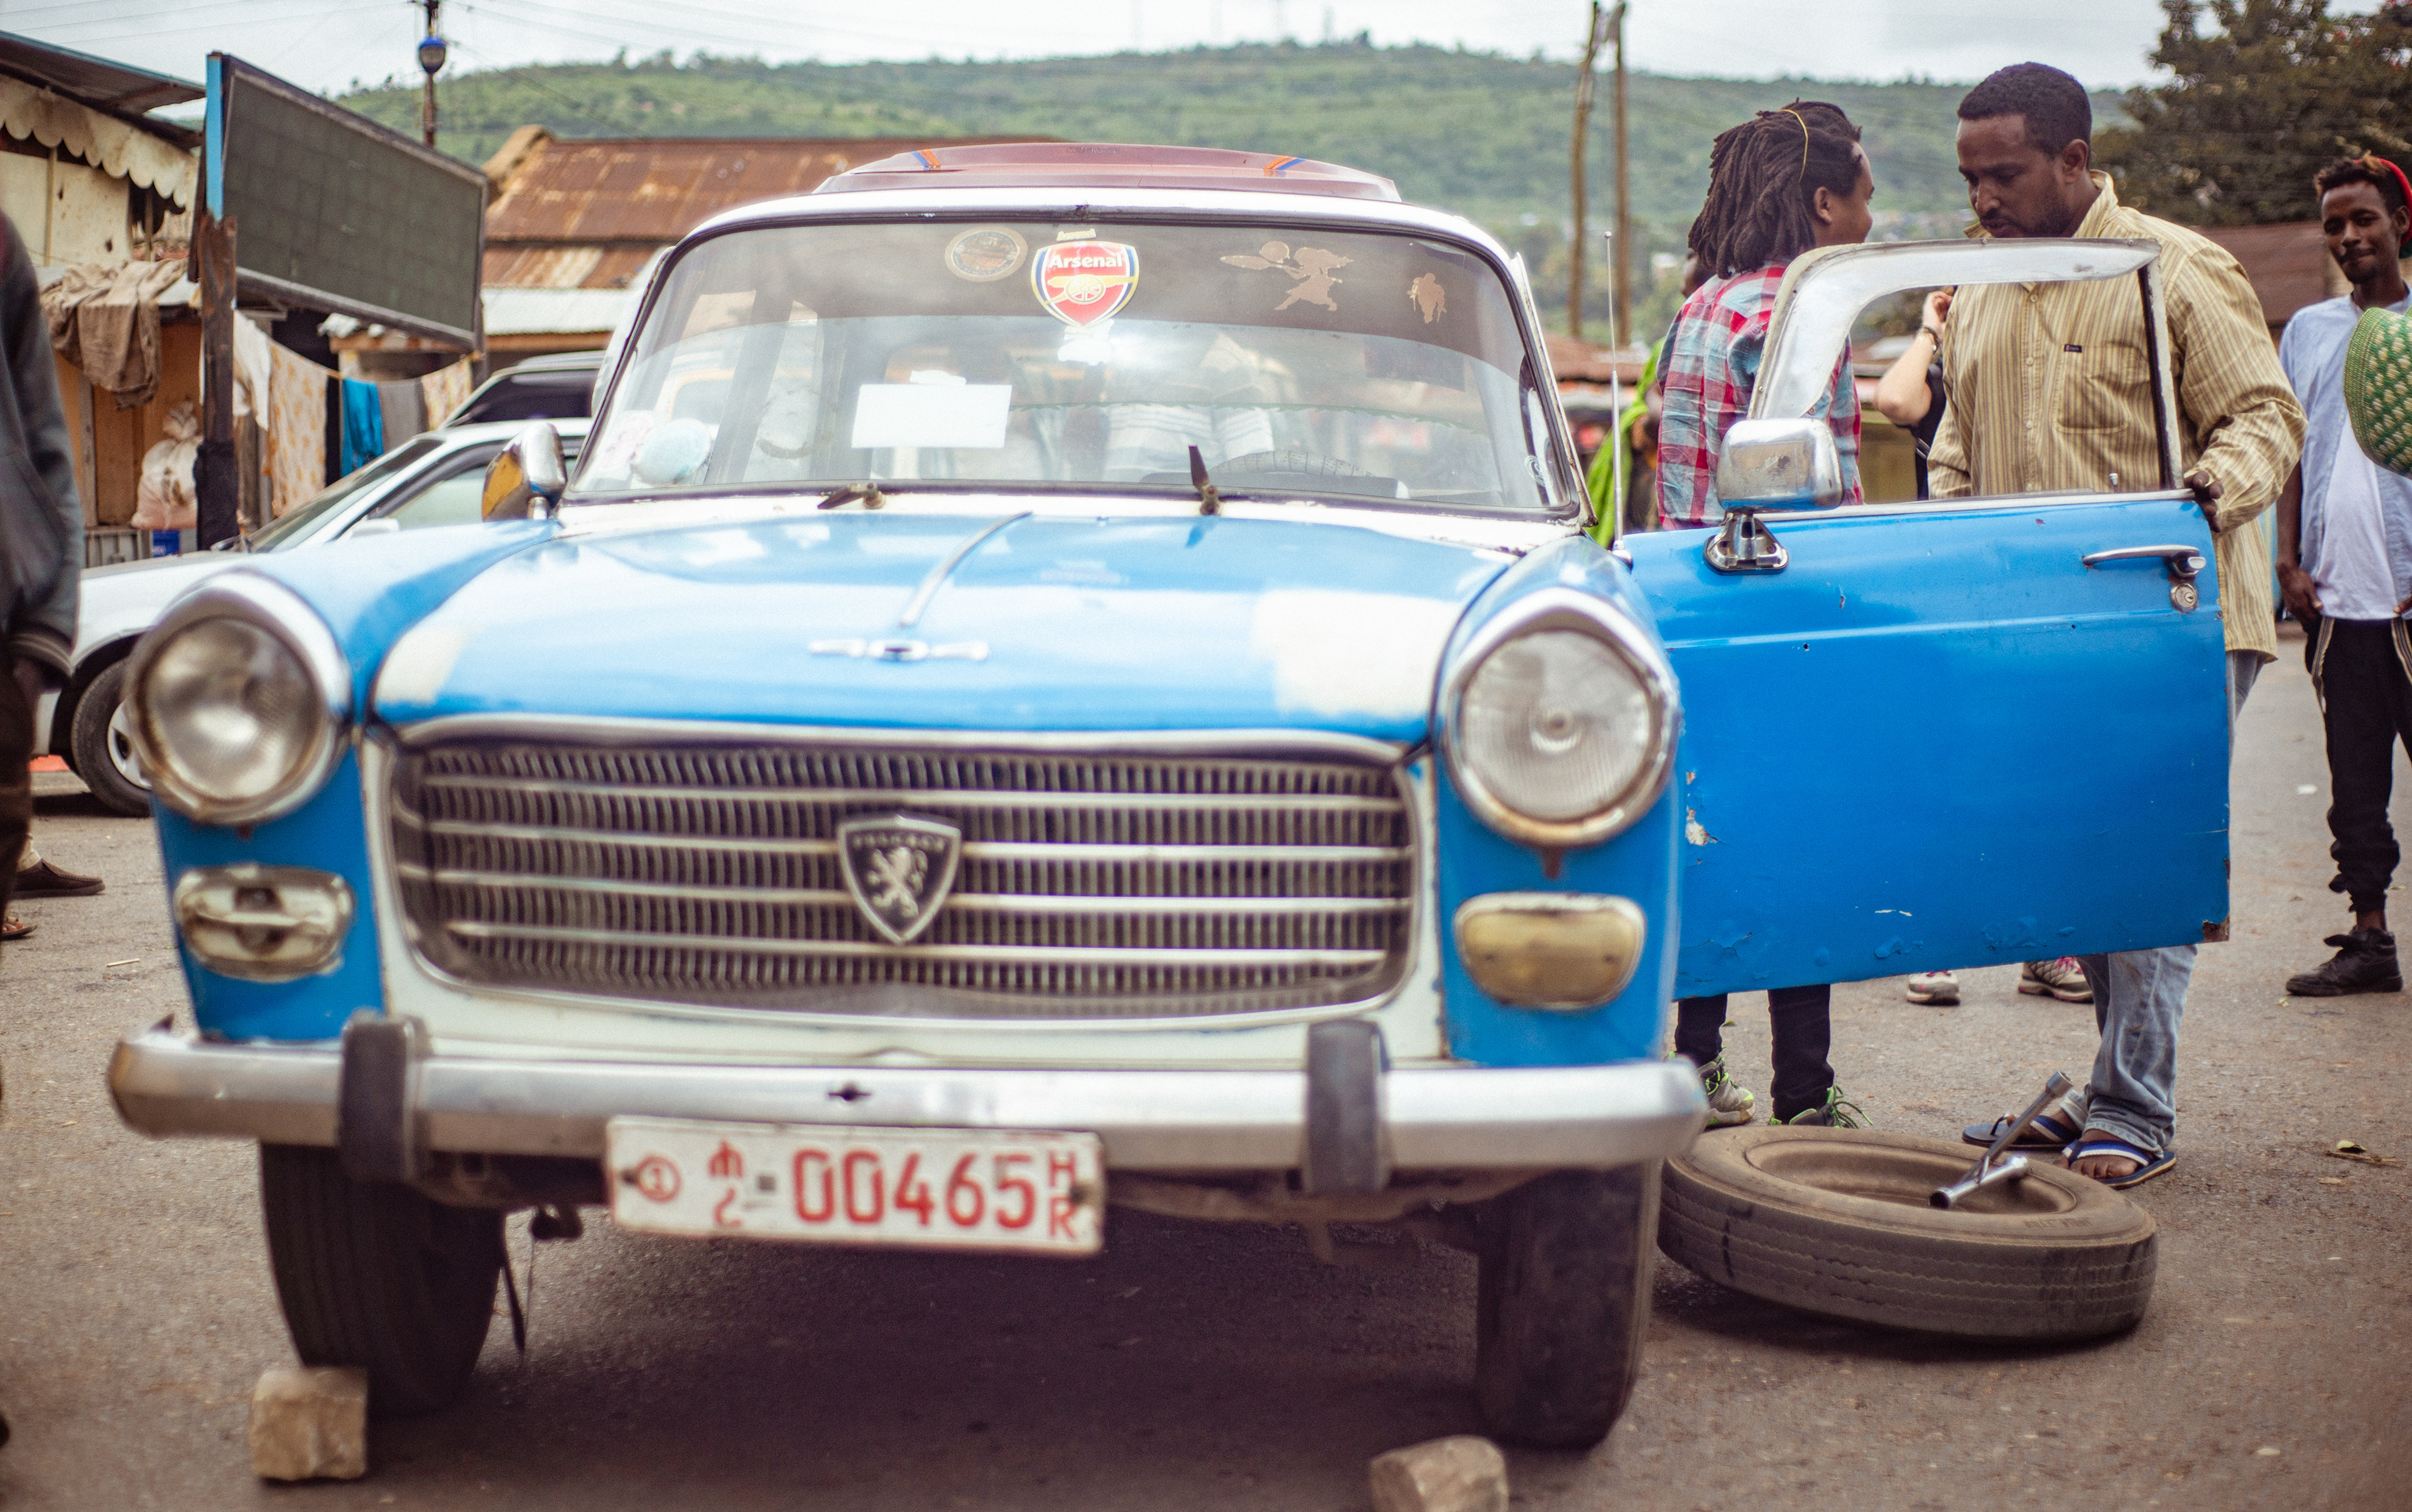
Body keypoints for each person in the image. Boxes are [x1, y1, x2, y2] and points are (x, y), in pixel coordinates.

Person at [1931, 63, 2304, 1186]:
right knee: (2080, 867)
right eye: (1969, 178)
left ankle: (2137, 1111)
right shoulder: (1982, 286)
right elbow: (1956, 449)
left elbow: (2265, 416)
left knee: (2143, 862)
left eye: (2003, 175)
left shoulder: (2176, 269)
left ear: (2075, 161)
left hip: (2174, 618)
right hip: (2039, 631)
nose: (1983, 199)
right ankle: (2105, 1088)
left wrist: (2199, 500)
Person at [1658, 99, 1874, 1128]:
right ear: (1824, 204)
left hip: (1690, 598)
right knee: (1803, 848)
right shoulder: (1796, 317)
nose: (1874, 212)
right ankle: (1806, 1091)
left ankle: (1694, 1061)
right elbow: (1815, 496)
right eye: (1866, 192)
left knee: (1714, 832)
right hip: (1782, 605)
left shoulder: (1700, 307)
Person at [2276, 155, 2412, 997]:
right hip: (2336, 602)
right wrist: (2287, 561)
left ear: (2403, 223)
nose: (2350, 236)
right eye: (2335, 223)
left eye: (2365, 218)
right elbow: (2293, 453)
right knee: (2354, 784)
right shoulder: (2310, 331)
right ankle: (2370, 940)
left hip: (2407, 600)